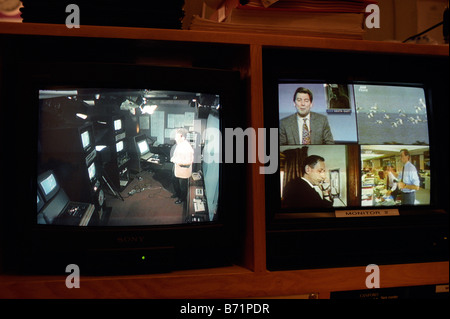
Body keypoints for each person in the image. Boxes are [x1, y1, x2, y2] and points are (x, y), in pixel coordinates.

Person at [170, 128, 194, 204]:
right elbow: (175, 155)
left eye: (177, 137)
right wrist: (173, 158)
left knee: (183, 187)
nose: (175, 138)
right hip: (177, 169)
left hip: (183, 171)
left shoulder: (187, 147)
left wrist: (176, 161)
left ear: (183, 137)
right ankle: (177, 193)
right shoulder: (179, 144)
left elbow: (189, 161)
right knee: (174, 181)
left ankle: (182, 198)